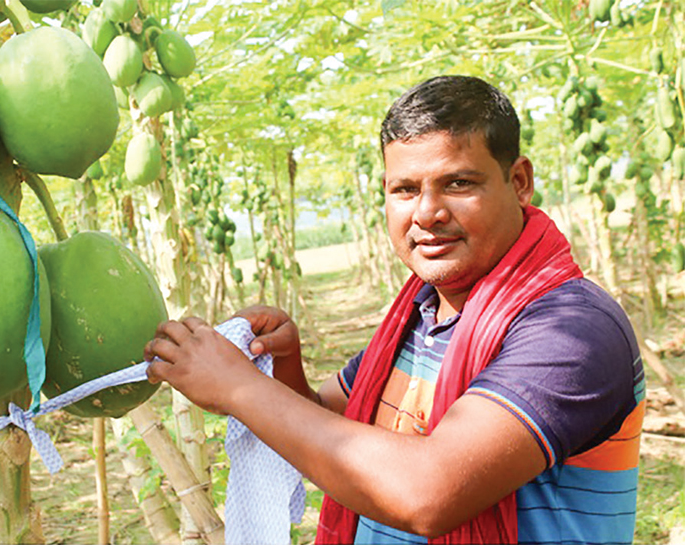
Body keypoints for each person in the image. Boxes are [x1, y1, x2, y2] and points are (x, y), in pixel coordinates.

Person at [144, 75, 644, 544]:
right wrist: (284, 367)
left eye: (458, 183)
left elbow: (426, 492)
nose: (426, 212)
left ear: (519, 181)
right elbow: (325, 426)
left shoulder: (572, 329)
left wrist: (238, 387)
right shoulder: (420, 315)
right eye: (404, 189)